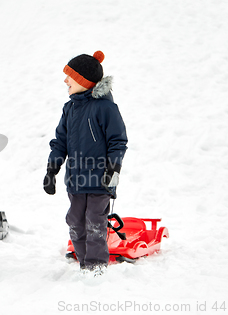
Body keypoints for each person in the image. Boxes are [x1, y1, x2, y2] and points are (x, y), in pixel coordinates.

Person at [44, 51, 128, 275]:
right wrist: (52, 170)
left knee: (95, 223)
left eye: (69, 76)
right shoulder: (69, 109)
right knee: (75, 222)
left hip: (100, 180)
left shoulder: (106, 108)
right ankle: (85, 264)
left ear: (83, 80)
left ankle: (96, 267)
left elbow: (118, 141)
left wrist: (113, 169)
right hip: (75, 180)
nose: (65, 81)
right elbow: (60, 142)